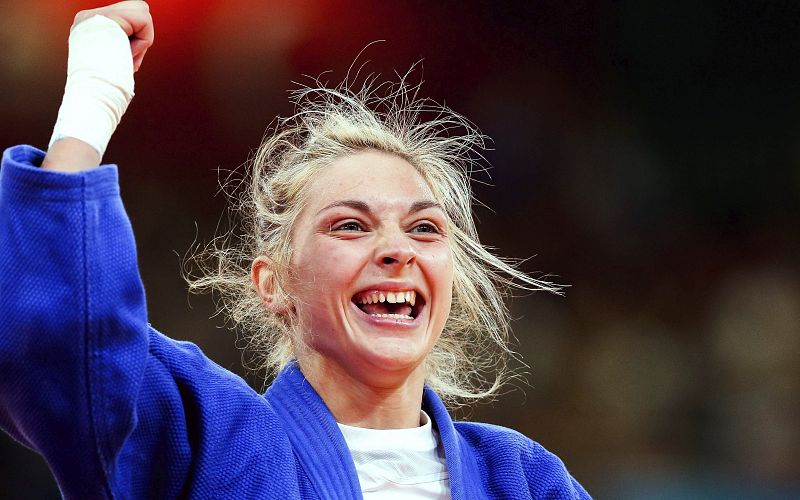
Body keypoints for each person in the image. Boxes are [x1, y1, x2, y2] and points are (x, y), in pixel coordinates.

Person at [0, 2, 590, 498]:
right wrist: (91, 100)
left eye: (425, 229)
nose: (397, 250)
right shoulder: (212, 437)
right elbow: (57, 349)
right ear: (274, 282)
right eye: (350, 226)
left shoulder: (522, 478)